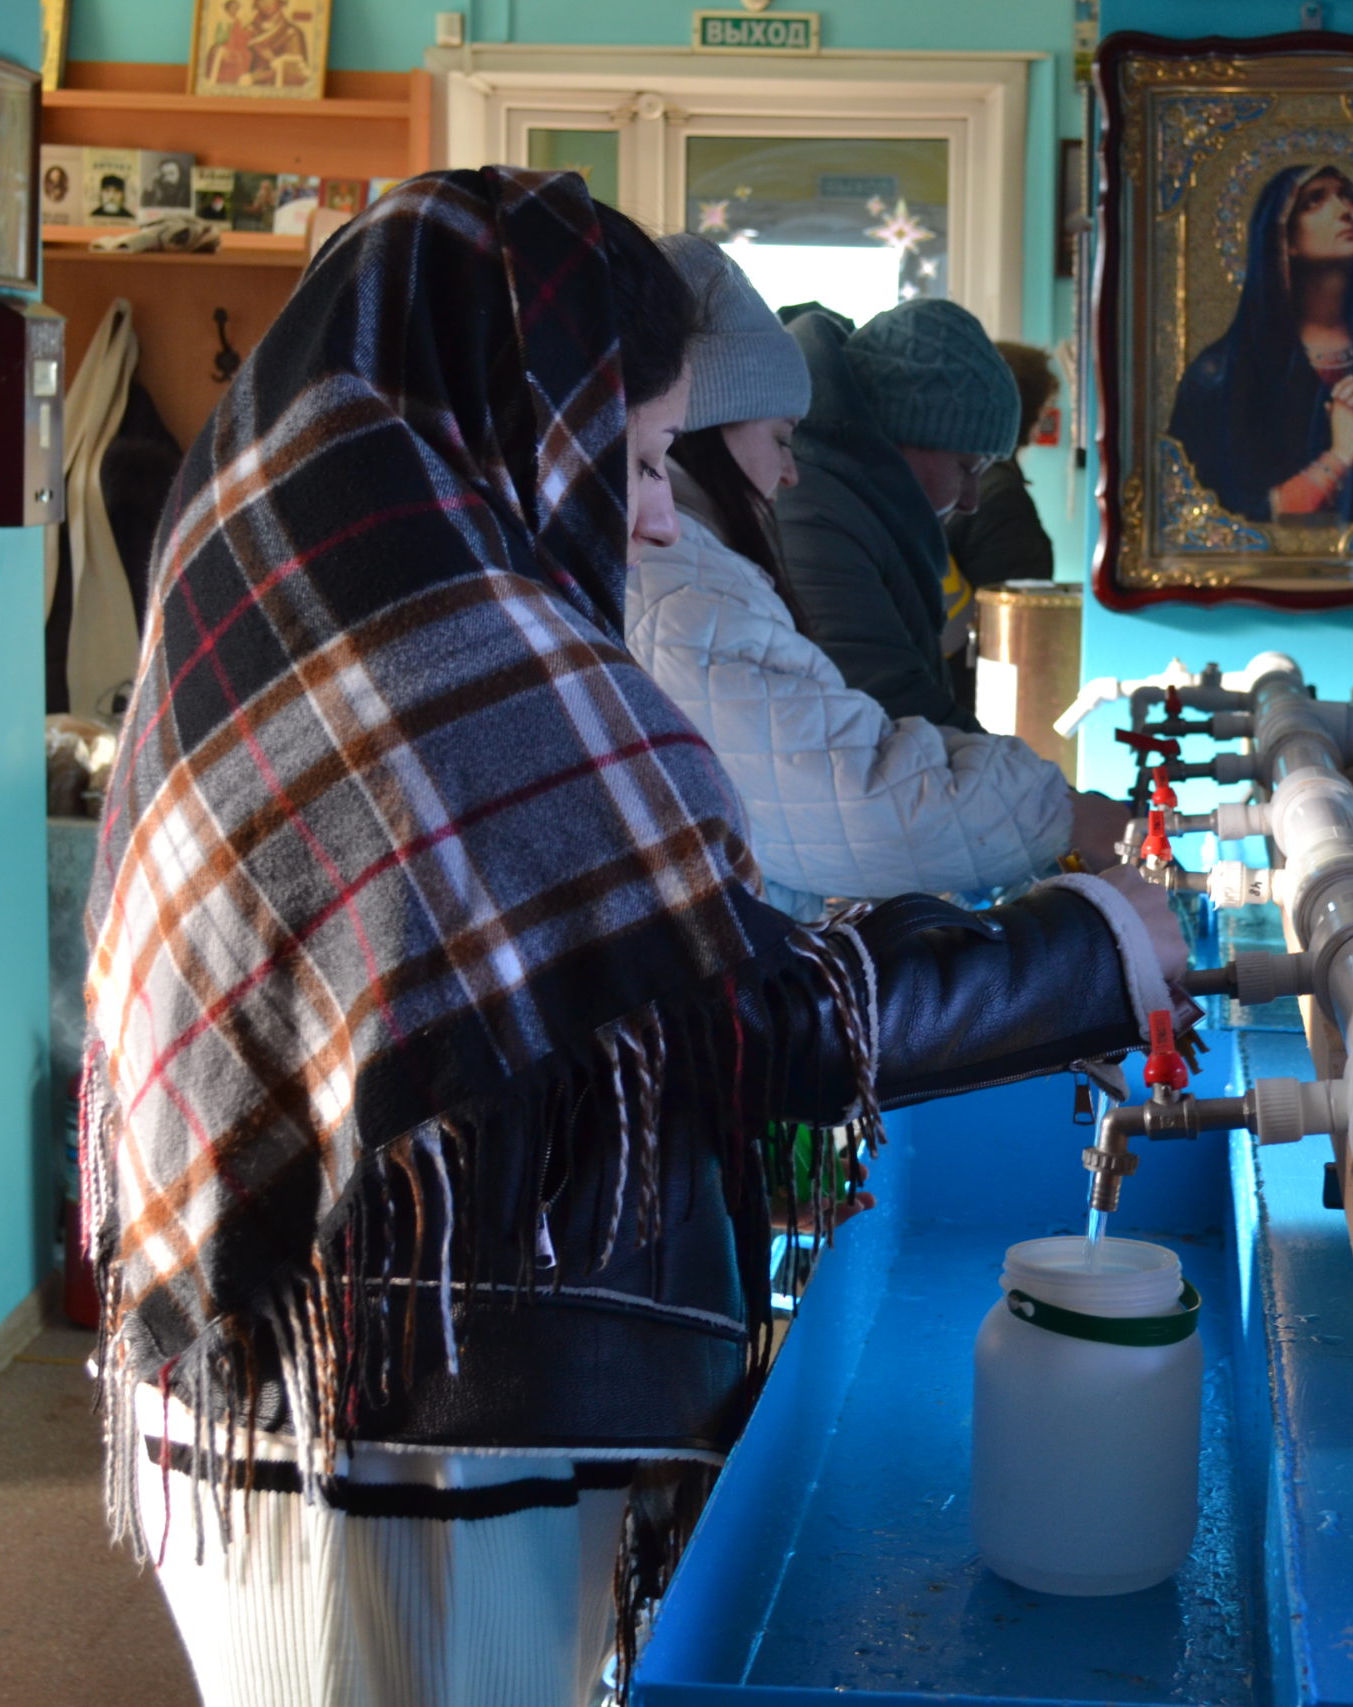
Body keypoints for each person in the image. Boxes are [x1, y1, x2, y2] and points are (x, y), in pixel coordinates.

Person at [82, 169, 1183, 1707]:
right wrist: (1092, 951)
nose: (655, 510)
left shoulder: (278, 586)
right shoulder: (466, 653)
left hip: (297, 1366)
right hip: (421, 1425)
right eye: (644, 454)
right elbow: (738, 1020)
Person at [629, 238, 1132, 920]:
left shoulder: (702, 561)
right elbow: (851, 793)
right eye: (781, 438)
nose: (790, 472)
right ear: (709, 425)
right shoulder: (690, 580)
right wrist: (1056, 813)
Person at [775, 297, 1016, 732]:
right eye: (966, 468)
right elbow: (893, 709)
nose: (971, 501)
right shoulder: (815, 516)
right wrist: (1044, 792)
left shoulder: (850, 507)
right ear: (901, 439)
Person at [1167, 164, 1353, 523]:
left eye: (1348, 196)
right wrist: (1339, 456)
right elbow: (1209, 520)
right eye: (1315, 200)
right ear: (1284, 238)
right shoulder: (1221, 376)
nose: (1345, 211)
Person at [944, 340, 1060, 591]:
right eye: (1044, 406)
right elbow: (1015, 610)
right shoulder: (1001, 497)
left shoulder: (956, 477)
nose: (1045, 417)